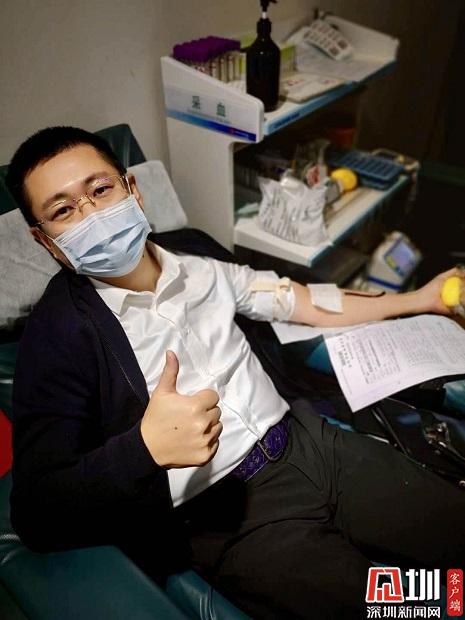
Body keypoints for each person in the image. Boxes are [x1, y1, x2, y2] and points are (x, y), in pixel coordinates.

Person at [6, 126, 465, 620]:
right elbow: (37, 512)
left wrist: (420, 299)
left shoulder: (196, 255)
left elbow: (302, 300)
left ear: (132, 189)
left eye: (100, 189)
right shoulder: (57, 335)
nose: (92, 215)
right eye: (63, 211)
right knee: (411, 607)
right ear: (46, 241)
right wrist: (144, 449)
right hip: (234, 519)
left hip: (312, 445)